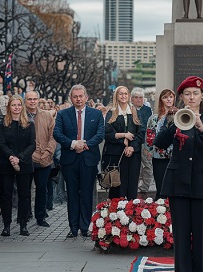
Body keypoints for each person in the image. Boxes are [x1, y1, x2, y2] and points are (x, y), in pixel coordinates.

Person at [154, 76, 203, 272]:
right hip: (178, 184)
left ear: (202, 96)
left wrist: (202, 127)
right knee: (181, 235)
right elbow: (160, 143)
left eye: (195, 93)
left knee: (202, 236)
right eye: (187, 94)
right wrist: (172, 123)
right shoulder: (174, 118)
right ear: (182, 98)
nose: (191, 97)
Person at [54, 85, 105, 238]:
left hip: (88, 159)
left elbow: (100, 134)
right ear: (71, 98)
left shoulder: (96, 114)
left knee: (87, 194)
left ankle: (85, 226)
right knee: (72, 194)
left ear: (86, 97)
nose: (78, 99)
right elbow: (57, 133)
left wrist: (84, 144)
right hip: (70, 159)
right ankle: (73, 227)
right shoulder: (62, 114)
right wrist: (73, 144)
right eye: (75, 96)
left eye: (81, 96)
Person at [0, 95, 36, 237]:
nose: (16, 107)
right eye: (13, 105)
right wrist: (11, 157)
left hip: (24, 163)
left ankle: (23, 224)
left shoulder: (29, 123)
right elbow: (0, 143)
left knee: (24, 195)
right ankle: (6, 225)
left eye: (19, 105)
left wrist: (19, 158)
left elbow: (32, 144)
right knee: (6, 195)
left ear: (22, 106)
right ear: (9, 107)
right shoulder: (2, 123)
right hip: (6, 163)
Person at [103, 86, 144, 200]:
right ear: (116, 96)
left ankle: (131, 212)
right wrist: (124, 138)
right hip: (116, 154)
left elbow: (141, 132)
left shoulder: (135, 111)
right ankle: (115, 213)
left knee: (131, 186)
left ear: (129, 95)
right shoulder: (111, 112)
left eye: (125, 93)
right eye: (121, 94)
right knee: (117, 186)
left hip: (132, 154)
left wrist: (132, 147)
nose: (123, 96)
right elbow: (107, 133)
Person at [25, 91, 56, 228]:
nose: (32, 101)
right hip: (26, 159)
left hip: (44, 158)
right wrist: (29, 154)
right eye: (29, 99)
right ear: (25, 100)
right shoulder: (21, 116)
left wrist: (48, 151)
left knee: (42, 189)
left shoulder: (47, 115)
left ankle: (40, 216)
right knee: (25, 190)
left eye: (35, 99)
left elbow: (53, 136)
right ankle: (25, 215)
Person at [145, 89, 176, 200]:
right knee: (161, 188)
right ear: (161, 100)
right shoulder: (153, 118)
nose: (168, 99)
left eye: (171, 97)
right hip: (159, 157)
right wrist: (150, 153)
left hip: (176, 158)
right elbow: (149, 139)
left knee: (175, 188)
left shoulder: (180, 116)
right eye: (165, 97)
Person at [132, 88, 154, 197]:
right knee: (135, 165)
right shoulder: (129, 109)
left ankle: (145, 187)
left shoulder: (147, 110)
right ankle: (134, 186)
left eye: (140, 97)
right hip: (133, 140)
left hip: (146, 142)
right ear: (132, 99)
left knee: (147, 165)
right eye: (136, 97)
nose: (138, 100)